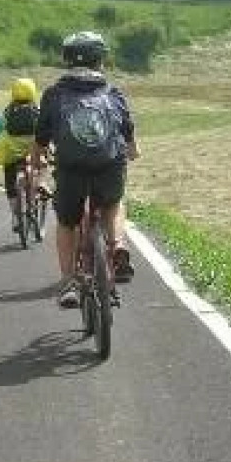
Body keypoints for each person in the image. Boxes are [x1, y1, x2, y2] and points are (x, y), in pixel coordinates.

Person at [33, 31, 138, 309]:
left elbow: (41, 140)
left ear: (67, 60)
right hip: (107, 166)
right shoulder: (112, 92)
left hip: (71, 169)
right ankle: (117, 244)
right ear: (99, 59)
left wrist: (38, 170)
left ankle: (68, 281)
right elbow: (127, 130)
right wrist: (133, 151)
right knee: (113, 202)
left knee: (67, 223)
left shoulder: (54, 94)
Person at [0, 77, 43, 224]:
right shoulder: (37, 110)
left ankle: (15, 217)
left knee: (10, 180)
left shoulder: (9, 111)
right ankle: (37, 190)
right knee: (38, 166)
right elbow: (45, 129)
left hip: (11, 152)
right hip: (32, 149)